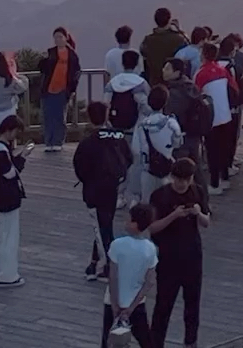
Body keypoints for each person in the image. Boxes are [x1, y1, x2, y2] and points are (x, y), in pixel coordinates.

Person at [149, 159, 211, 348]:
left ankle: (191, 341)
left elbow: (206, 222)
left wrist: (198, 213)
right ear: (172, 177)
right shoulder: (159, 196)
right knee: (163, 304)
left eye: (186, 179)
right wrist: (173, 216)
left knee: (193, 304)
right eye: (178, 179)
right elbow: (153, 228)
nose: (182, 184)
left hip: (192, 255)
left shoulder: (198, 191)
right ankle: (156, 343)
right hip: (168, 257)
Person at [75, 100, 134, 280]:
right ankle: (95, 262)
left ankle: (105, 265)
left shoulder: (88, 142)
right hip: (112, 187)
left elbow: (79, 167)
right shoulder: (118, 137)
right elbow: (129, 158)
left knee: (101, 226)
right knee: (105, 223)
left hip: (93, 189)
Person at [103, 203, 159, 348]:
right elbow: (149, 281)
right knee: (146, 341)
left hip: (112, 303)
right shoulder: (150, 249)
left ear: (135, 224)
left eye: (129, 220)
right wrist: (131, 308)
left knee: (108, 341)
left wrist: (115, 304)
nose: (126, 222)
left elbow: (113, 277)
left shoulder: (117, 245)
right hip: (136, 303)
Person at [0, 114, 28, 287]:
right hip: (7, 196)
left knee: (2, 235)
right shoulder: (1, 150)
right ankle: (8, 275)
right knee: (10, 237)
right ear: (9, 130)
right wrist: (23, 158)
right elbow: (10, 173)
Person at [163, 59, 213, 201]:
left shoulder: (174, 93)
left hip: (181, 136)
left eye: (167, 69)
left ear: (177, 72)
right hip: (194, 135)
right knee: (196, 170)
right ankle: (204, 201)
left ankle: (188, 201)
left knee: (182, 172)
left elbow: (171, 116)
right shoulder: (191, 86)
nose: (163, 71)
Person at [192, 41, 237, 195]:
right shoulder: (223, 71)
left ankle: (214, 183)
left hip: (211, 117)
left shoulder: (201, 73)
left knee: (212, 151)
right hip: (226, 114)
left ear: (204, 54)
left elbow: (195, 95)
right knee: (224, 149)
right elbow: (234, 89)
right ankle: (225, 179)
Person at [135, 85, 184, 204]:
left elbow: (136, 150)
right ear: (165, 102)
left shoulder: (142, 125)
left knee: (147, 204)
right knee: (167, 205)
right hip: (167, 168)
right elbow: (177, 144)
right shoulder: (171, 123)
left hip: (147, 170)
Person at [41, 27, 81, 152]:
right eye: (55, 37)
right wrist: (43, 60)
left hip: (63, 89)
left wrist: (72, 90)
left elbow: (76, 73)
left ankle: (58, 141)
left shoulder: (72, 55)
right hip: (48, 89)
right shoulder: (50, 52)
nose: (57, 40)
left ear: (66, 38)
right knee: (48, 116)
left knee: (59, 117)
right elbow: (43, 68)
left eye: (60, 37)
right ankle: (48, 141)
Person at [140, 8, 187, 87]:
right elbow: (190, 49)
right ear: (169, 21)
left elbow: (143, 54)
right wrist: (179, 30)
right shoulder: (178, 39)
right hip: (172, 83)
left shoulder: (147, 41)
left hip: (154, 82)